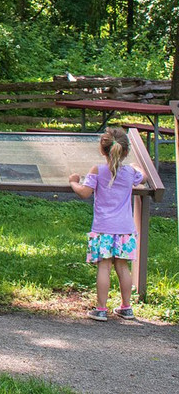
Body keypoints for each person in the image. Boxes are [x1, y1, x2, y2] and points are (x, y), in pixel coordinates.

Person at [69, 127, 145, 321]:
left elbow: (85, 192)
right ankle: (126, 307)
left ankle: (101, 309)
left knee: (104, 267)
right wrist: (137, 166)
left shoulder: (98, 170)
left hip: (103, 228)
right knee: (122, 267)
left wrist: (73, 182)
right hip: (125, 229)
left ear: (103, 150)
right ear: (126, 152)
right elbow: (142, 175)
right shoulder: (129, 173)